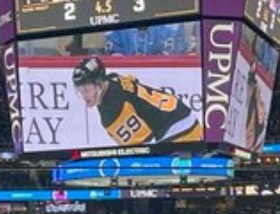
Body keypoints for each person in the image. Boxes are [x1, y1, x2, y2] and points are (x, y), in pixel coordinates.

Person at [71, 56, 202, 147]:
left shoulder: (112, 111)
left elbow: (143, 147)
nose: (84, 95)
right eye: (80, 90)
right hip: (182, 116)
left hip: (180, 133)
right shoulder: (112, 79)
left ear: (99, 84)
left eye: (87, 89)